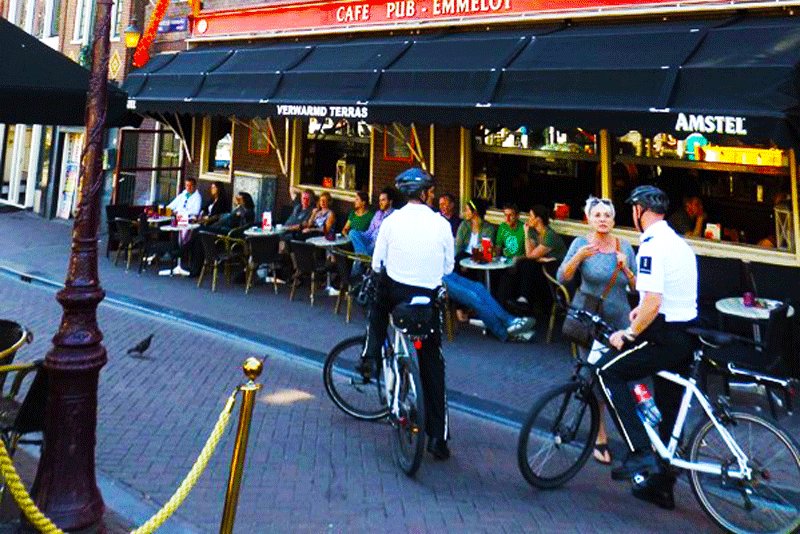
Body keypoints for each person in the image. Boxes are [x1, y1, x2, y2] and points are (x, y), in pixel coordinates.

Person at [597, 185, 698, 510]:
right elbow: (665, 296)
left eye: (632, 210)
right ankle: (661, 487)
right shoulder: (679, 243)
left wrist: (628, 332)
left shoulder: (653, 246)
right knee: (670, 411)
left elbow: (653, 301)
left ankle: (639, 453)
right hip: (686, 333)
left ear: (640, 210)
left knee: (607, 373)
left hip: (663, 335)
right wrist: (642, 311)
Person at [364, 168, 454, 460]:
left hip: (397, 294)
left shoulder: (391, 221)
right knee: (433, 364)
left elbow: (378, 263)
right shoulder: (441, 224)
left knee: (378, 308)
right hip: (427, 299)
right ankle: (438, 439)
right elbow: (448, 268)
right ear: (426, 193)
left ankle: (370, 358)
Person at [557, 196, 636, 466]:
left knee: (619, 377)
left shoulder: (624, 247)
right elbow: (562, 277)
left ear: (613, 221)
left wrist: (626, 268)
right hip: (588, 320)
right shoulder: (581, 244)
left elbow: (638, 288)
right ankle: (600, 436)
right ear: (589, 219)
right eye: (597, 215)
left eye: (607, 215)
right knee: (593, 375)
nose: (602, 219)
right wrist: (578, 257)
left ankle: (632, 437)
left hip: (618, 321)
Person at [443, 271, 534, 341]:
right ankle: (504, 332)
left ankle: (509, 321)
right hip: (435, 281)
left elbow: (449, 263)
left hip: (446, 273)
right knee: (473, 297)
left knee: (479, 287)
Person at [350, 187, 395, 257]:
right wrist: (361, 236)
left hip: (378, 243)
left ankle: (361, 258)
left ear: (390, 201)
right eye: (379, 200)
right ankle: (365, 256)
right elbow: (370, 231)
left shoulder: (394, 215)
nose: (380, 203)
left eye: (383, 200)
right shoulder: (378, 214)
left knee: (358, 258)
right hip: (369, 239)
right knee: (352, 233)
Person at [454, 198, 496, 263]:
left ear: (475, 212)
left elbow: (486, 251)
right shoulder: (464, 225)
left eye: (467, 210)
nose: (465, 212)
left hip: (479, 259)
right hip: (463, 256)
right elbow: (458, 245)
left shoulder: (488, 228)